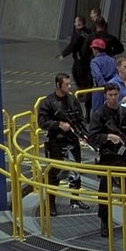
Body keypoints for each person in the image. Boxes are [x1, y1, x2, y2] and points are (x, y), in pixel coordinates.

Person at [88, 83, 126, 237]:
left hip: (125, 156)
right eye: (110, 95)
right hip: (108, 157)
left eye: (115, 95)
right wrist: (108, 137)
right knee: (105, 191)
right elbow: (92, 137)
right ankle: (104, 221)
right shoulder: (99, 115)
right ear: (105, 95)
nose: (113, 98)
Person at [38, 73, 91, 215]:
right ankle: (51, 204)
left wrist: (84, 134)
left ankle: (75, 199)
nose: (69, 86)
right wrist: (58, 124)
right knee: (54, 173)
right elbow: (42, 122)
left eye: (69, 84)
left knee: (76, 170)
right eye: (66, 84)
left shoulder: (72, 100)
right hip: (56, 141)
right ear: (58, 85)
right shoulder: (48, 102)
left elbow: (80, 119)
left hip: (72, 140)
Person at [58, 16, 94, 120]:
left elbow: (72, 46)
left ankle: (83, 94)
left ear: (80, 23)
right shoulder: (89, 33)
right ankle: (84, 94)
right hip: (87, 61)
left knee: (79, 78)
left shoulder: (78, 35)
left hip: (80, 61)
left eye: (76, 22)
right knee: (83, 78)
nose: (74, 24)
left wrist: (63, 54)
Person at [89, 38, 117, 111]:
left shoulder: (94, 62)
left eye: (93, 49)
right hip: (112, 88)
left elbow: (98, 76)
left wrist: (104, 87)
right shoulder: (112, 60)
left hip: (99, 89)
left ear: (96, 49)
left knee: (97, 111)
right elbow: (116, 74)